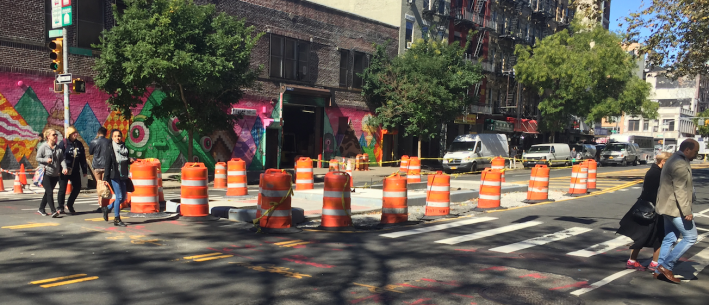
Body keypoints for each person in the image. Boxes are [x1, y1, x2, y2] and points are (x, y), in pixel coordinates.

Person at [653, 139, 700, 283]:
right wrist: (687, 211)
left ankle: (658, 270)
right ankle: (666, 266)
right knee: (691, 237)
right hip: (675, 209)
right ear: (687, 150)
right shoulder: (679, 163)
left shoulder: (674, 159)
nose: (696, 155)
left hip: (667, 207)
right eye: (695, 152)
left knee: (670, 238)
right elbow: (679, 190)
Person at [617, 152, 671, 271]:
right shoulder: (656, 174)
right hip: (653, 209)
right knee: (658, 236)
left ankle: (635, 261)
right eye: (670, 161)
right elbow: (652, 193)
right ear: (663, 162)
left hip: (648, 208)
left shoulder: (655, 171)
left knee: (646, 236)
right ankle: (653, 263)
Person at [102, 129, 132, 227]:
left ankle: (108, 208)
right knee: (118, 197)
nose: (117, 138)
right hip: (114, 175)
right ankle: (117, 219)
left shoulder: (124, 147)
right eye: (115, 136)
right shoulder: (110, 148)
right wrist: (105, 178)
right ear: (112, 137)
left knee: (123, 198)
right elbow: (107, 163)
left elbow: (125, 159)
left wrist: (130, 160)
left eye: (119, 136)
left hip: (123, 175)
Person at [57, 126, 88, 215]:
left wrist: (84, 169)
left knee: (77, 187)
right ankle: (60, 207)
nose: (76, 135)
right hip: (65, 170)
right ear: (69, 134)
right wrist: (61, 168)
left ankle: (70, 204)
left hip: (75, 170)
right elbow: (59, 156)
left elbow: (82, 157)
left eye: (76, 133)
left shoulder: (79, 144)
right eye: (74, 133)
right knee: (62, 189)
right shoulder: (63, 143)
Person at [35, 129, 66, 218]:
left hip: (55, 174)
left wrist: (64, 167)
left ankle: (41, 208)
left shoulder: (58, 148)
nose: (55, 136)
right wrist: (46, 160)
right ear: (48, 136)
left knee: (48, 192)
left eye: (56, 135)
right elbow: (38, 158)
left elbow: (62, 159)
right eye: (53, 135)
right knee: (49, 192)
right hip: (45, 173)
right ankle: (53, 211)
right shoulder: (43, 147)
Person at [89, 127, 111, 208]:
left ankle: (99, 201)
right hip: (106, 165)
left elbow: (90, 152)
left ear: (98, 133)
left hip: (96, 165)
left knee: (98, 184)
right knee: (105, 184)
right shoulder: (109, 142)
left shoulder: (93, 142)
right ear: (106, 133)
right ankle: (104, 201)